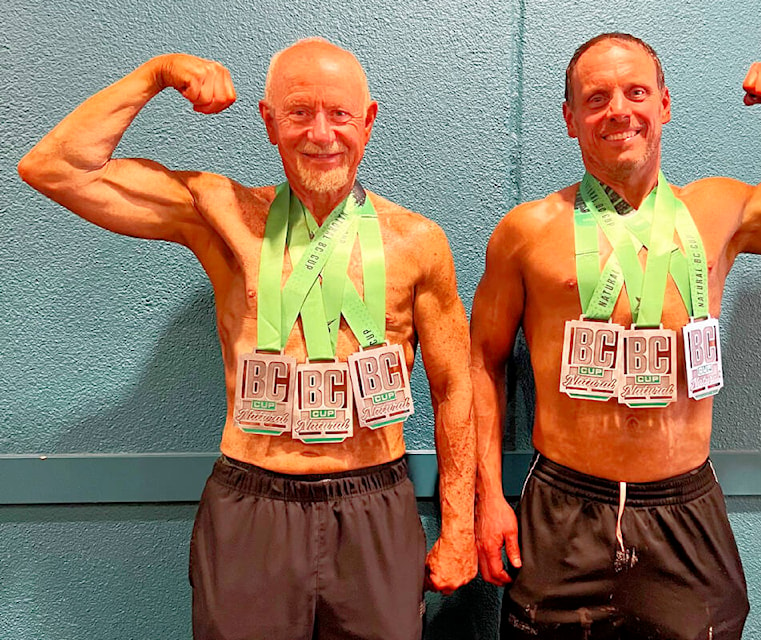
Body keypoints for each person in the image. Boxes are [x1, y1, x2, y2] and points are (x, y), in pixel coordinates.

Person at [19, 39, 476, 640]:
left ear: (367, 120)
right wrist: (156, 73)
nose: (321, 133)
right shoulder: (224, 214)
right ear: (268, 123)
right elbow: (53, 167)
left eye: (339, 114)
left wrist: (460, 527)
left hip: (376, 501)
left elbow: (454, 388)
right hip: (253, 500)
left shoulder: (419, 241)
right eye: (299, 113)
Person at [472, 33, 761, 639]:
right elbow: (482, 360)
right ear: (571, 119)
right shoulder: (526, 231)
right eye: (597, 98)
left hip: (684, 507)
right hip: (562, 509)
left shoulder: (719, 210)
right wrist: (487, 499)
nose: (619, 110)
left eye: (635, 92)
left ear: (664, 103)